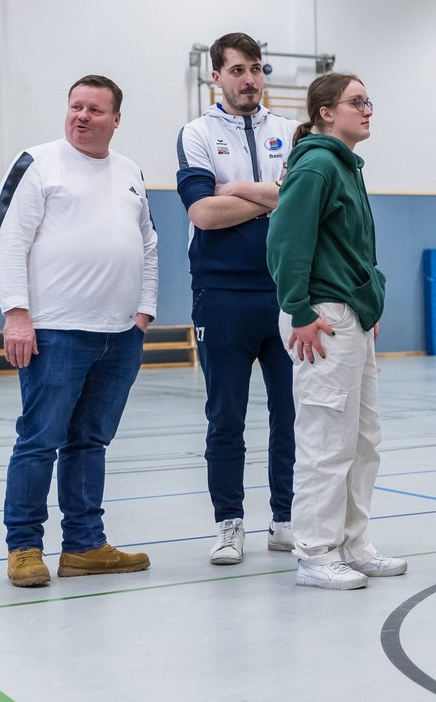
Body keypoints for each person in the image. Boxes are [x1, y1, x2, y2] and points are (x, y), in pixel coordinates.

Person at [0, 75, 156, 587]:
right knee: (39, 441)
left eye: (94, 109)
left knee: (90, 442)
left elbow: (148, 245)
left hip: (119, 334)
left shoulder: (130, 172)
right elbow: (8, 241)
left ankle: (85, 545)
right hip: (56, 331)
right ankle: (24, 546)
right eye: (75, 106)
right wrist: (17, 313)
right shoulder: (38, 162)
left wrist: (144, 312)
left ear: (116, 119)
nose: (82, 116)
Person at [266, 73, 405, 591]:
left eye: (369, 100)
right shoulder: (319, 164)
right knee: (327, 440)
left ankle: (352, 541)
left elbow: (354, 249)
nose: (367, 109)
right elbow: (285, 238)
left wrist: (370, 301)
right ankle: (316, 551)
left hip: (352, 317)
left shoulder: (346, 166)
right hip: (323, 317)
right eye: (356, 101)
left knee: (363, 439)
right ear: (326, 111)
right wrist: (298, 309)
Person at [176, 32, 298, 565]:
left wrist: (234, 190)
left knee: (291, 414)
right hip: (222, 294)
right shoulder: (196, 134)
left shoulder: (293, 132)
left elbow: (302, 204)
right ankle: (229, 524)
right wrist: (271, 196)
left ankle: (287, 517)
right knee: (225, 416)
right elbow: (202, 213)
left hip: (286, 291)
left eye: (256, 68)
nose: (250, 79)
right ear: (216, 77)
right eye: (238, 70)